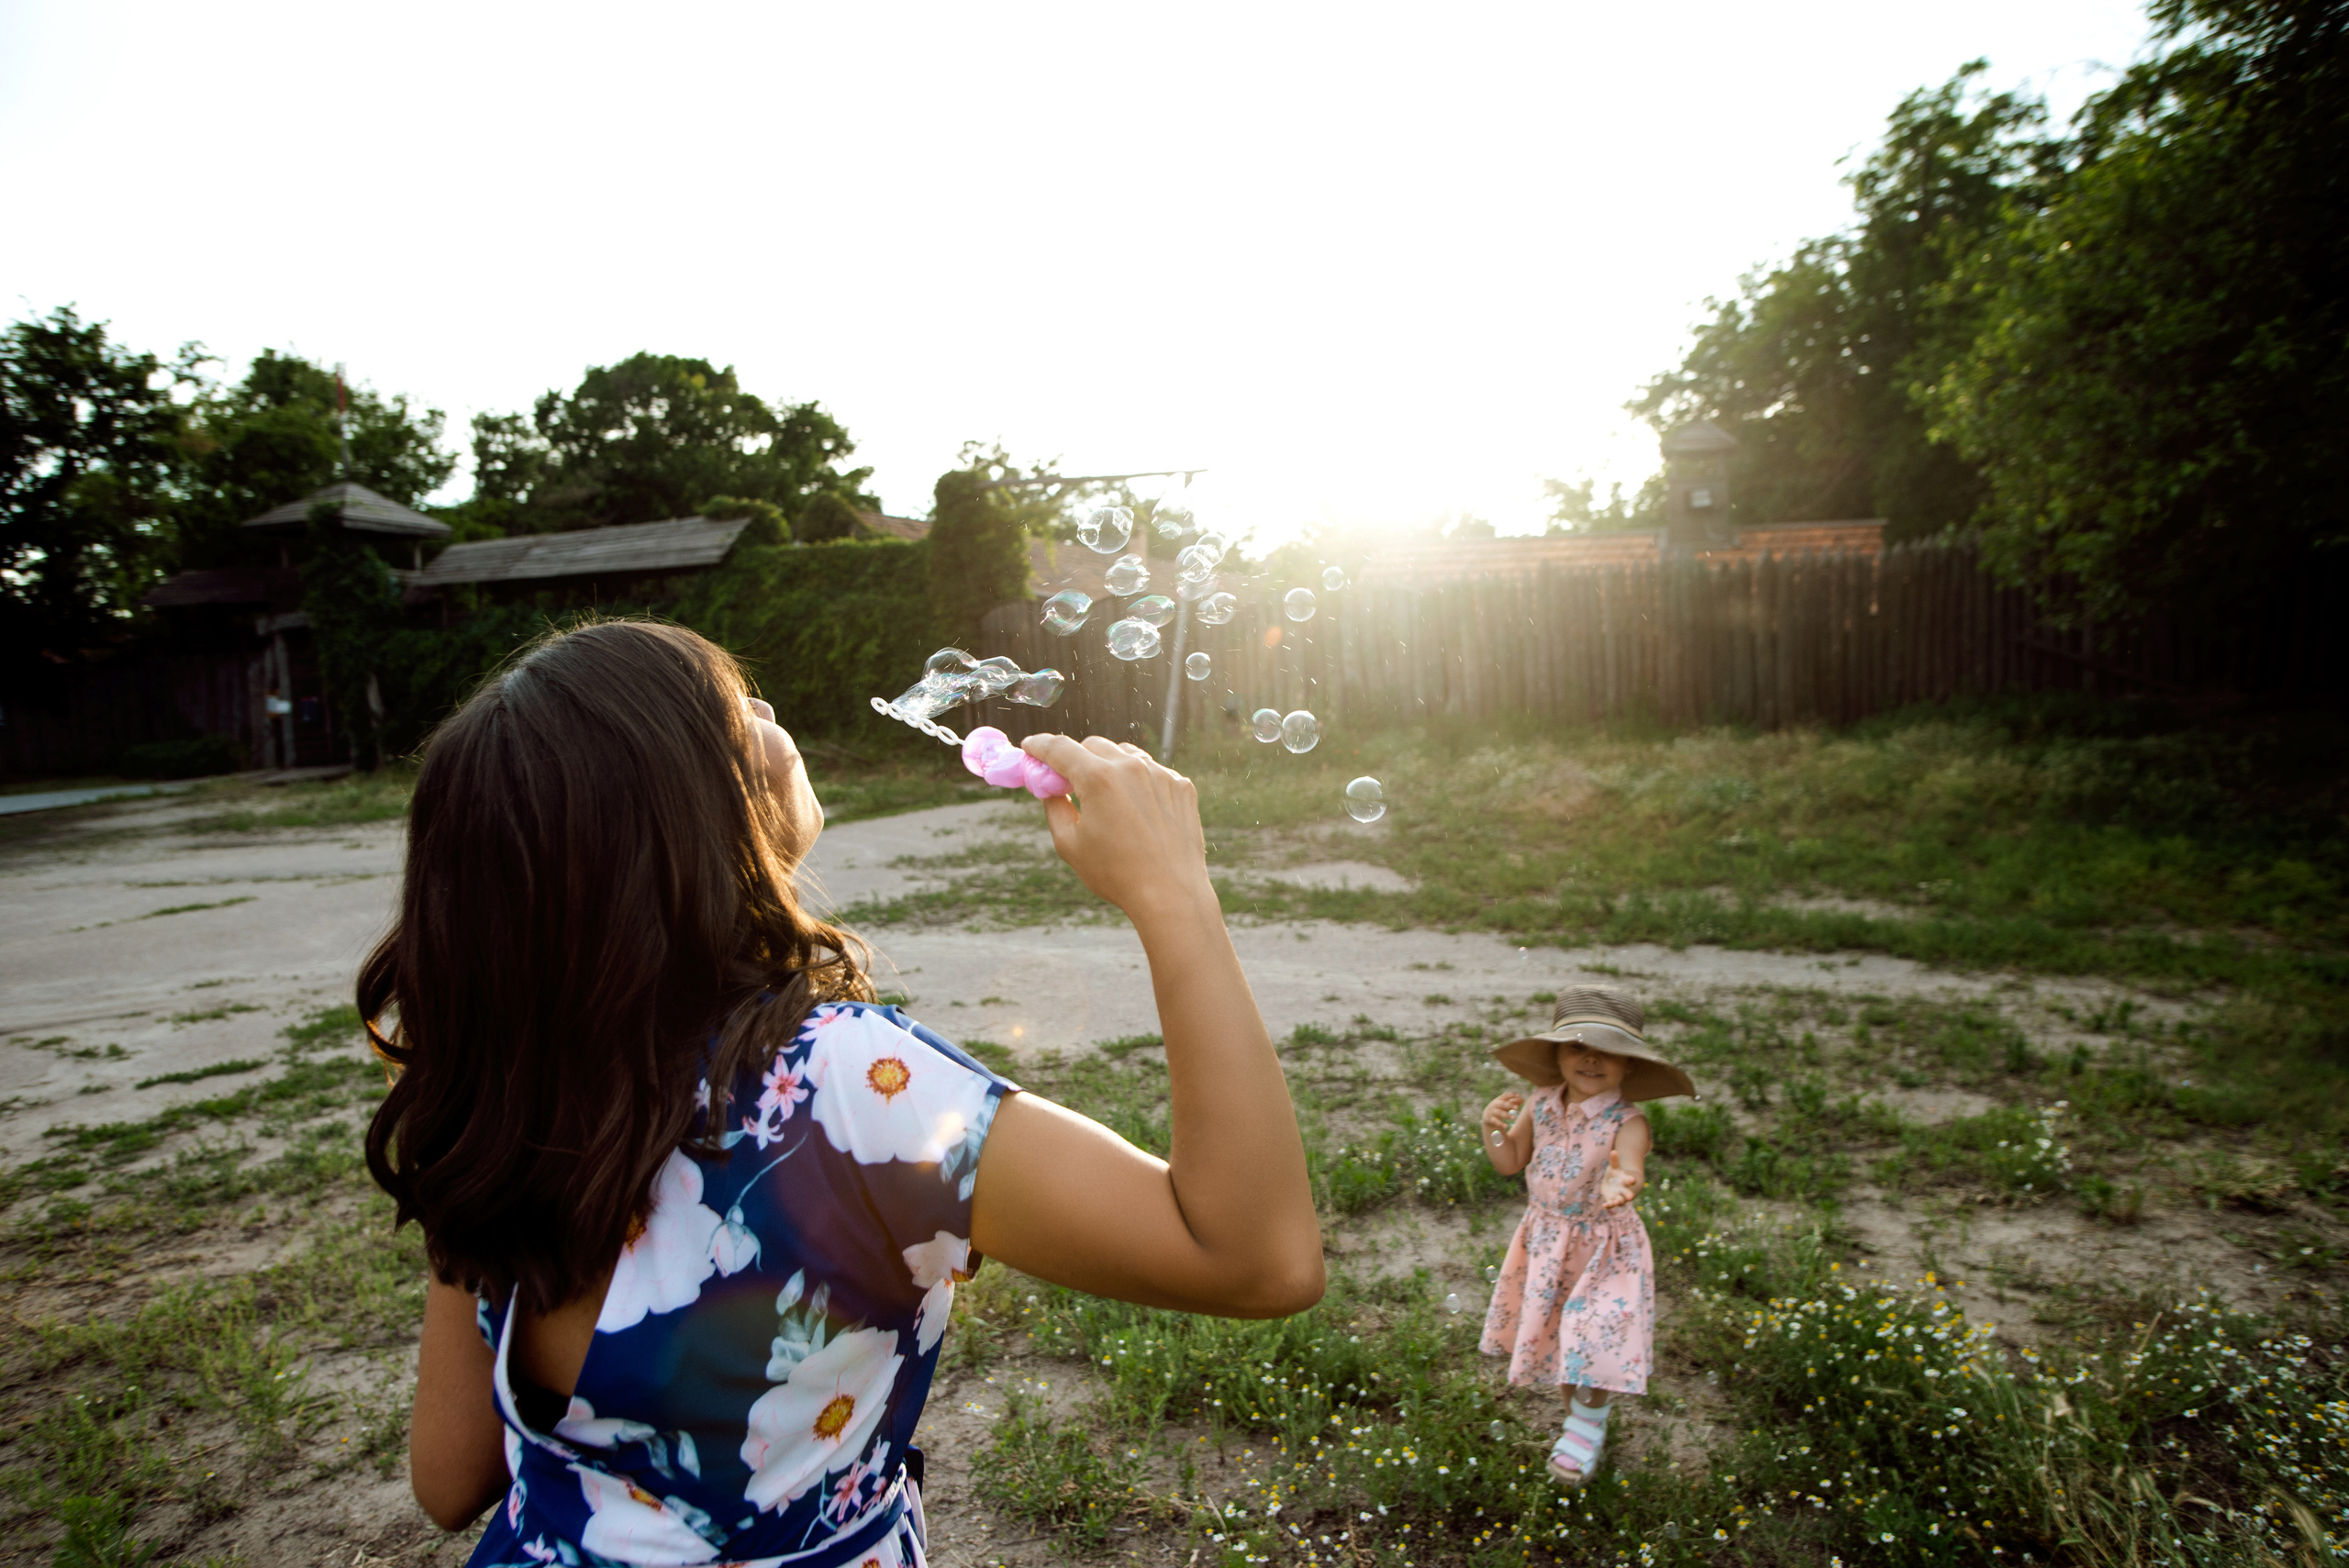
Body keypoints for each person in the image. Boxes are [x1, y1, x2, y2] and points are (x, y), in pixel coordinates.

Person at [363, 620, 1322, 1568]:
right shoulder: (843, 1085)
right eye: (735, 706)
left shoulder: (492, 1086)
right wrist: (1173, 889)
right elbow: (1255, 1260)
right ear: (683, 809)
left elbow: (450, 1476)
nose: (768, 710)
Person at [1475, 985, 1694, 1485]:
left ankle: (1587, 1425)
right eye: (1577, 1047)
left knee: (1595, 1333)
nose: (1592, 1059)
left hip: (1604, 1246)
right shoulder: (1540, 1103)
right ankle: (1581, 1421)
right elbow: (1510, 1161)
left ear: (1629, 1065)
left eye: (1608, 1051)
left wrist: (1622, 1182)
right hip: (1547, 1240)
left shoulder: (1627, 1121)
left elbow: (1630, 1166)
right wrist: (1491, 1128)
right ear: (1556, 1055)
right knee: (1561, 1338)